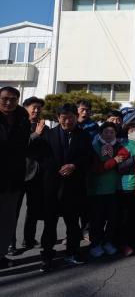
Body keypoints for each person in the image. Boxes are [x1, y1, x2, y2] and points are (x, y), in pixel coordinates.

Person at [31, 103, 92, 273]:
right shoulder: (48, 134)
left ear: (76, 117)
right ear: (58, 118)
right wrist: (56, 168)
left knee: (72, 223)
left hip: (74, 186)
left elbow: (88, 157)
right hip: (52, 186)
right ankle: (47, 256)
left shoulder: (84, 135)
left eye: (71, 118)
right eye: (64, 118)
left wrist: (74, 165)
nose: (67, 121)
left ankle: (72, 252)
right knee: (50, 224)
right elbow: (40, 158)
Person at [9, 96, 47, 255]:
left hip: (37, 175)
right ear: (25, 108)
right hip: (18, 174)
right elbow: (17, 147)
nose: (36, 110)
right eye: (34, 107)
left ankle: (29, 238)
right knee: (13, 211)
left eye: (39, 108)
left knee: (33, 210)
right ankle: (10, 243)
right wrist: (36, 134)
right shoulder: (18, 124)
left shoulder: (43, 126)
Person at [0, 86, 31, 269]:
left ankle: (1, 254)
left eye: (13, 99)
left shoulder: (22, 119)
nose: (8, 102)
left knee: (7, 220)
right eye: (4, 98)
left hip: (13, 178)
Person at [88, 122, 129, 258]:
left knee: (112, 218)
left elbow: (125, 153)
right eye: (106, 132)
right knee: (97, 220)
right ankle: (95, 244)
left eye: (112, 132)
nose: (109, 134)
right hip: (97, 189)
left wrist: (117, 159)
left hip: (114, 189)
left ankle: (107, 242)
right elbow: (96, 168)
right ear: (100, 133)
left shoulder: (118, 145)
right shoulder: (94, 146)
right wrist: (114, 161)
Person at [117, 122, 135, 257]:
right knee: (126, 218)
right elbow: (120, 167)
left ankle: (134, 242)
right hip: (127, 186)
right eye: (131, 130)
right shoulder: (125, 147)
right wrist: (134, 159)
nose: (134, 132)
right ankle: (124, 244)